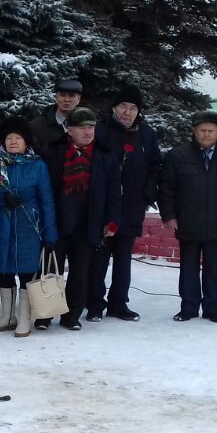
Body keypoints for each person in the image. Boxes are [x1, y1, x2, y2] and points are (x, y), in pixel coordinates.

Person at [159, 110, 217, 324]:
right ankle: (188, 307)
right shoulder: (178, 156)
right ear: (194, 131)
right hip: (188, 221)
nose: (206, 135)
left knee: (215, 268)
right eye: (202, 130)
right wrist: (169, 216)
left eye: (211, 131)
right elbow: (166, 188)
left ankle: (213, 308)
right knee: (188, 268)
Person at [37, 107, 120, 331]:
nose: (87, 132)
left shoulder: (105, 155)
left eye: (91, 127)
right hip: (58, 220)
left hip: (88, 222)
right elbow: (42, 188)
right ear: (69, 129)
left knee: (80, 272)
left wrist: (111, 221)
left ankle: (71, 315)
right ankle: (45, 315)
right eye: (82, 127)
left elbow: (113, 191)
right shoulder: (53, 151)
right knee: (50, 270)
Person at [0, 117, 58, 338]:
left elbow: (47, 200)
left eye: (18, 138)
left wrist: (50, 232)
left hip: (28, 226)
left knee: (27, 272)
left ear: (26, 142)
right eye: (9, 138)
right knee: (4, 271)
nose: (13, 141)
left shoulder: (37, 165)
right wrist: (0, 197)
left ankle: (23, 318)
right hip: (1, 224)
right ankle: (7, 316)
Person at [88, 86, 161, 322]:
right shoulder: (101, 131)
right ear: (114, 108)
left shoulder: (146, 134)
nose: (127, 112)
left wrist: (147, 193)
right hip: (105, 206)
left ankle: (119, 303)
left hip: (132, 205)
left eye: (133, 108)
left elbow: (154, 166)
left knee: (124, 259)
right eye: (123, 107)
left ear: (138, 112)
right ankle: (95, 304)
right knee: (99, 258)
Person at [28, 79, 84, 150]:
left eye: (71, 96)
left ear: (78, 99)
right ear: (56, 97)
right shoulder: (36, 126)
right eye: (63, 95)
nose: (66, 100)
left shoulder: (89, 126)